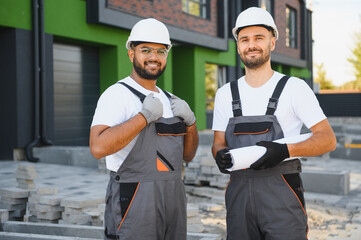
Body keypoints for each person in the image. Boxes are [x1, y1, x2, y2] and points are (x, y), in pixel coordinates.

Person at [211, 7, 336, 240]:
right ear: (238, 45)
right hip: (238, 194)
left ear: (273, 42)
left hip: (282, 193)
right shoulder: (225, 94)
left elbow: (327, 139)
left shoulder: (294, 88)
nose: (251, 45)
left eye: (259, 38)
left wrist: (284, 151)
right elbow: (218, 142)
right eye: (244, 39)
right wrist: (220, 155)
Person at [89, 18, 199, 240]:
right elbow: (98, 147)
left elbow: (187, 155)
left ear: (166, 55)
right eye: (145, 50)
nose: (153, 57)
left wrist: (191, 122)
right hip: (136, 200)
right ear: (131, 53)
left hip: (174, 198)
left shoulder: (172, 101)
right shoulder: (117, 94)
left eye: (160, 51)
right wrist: (143, 117)